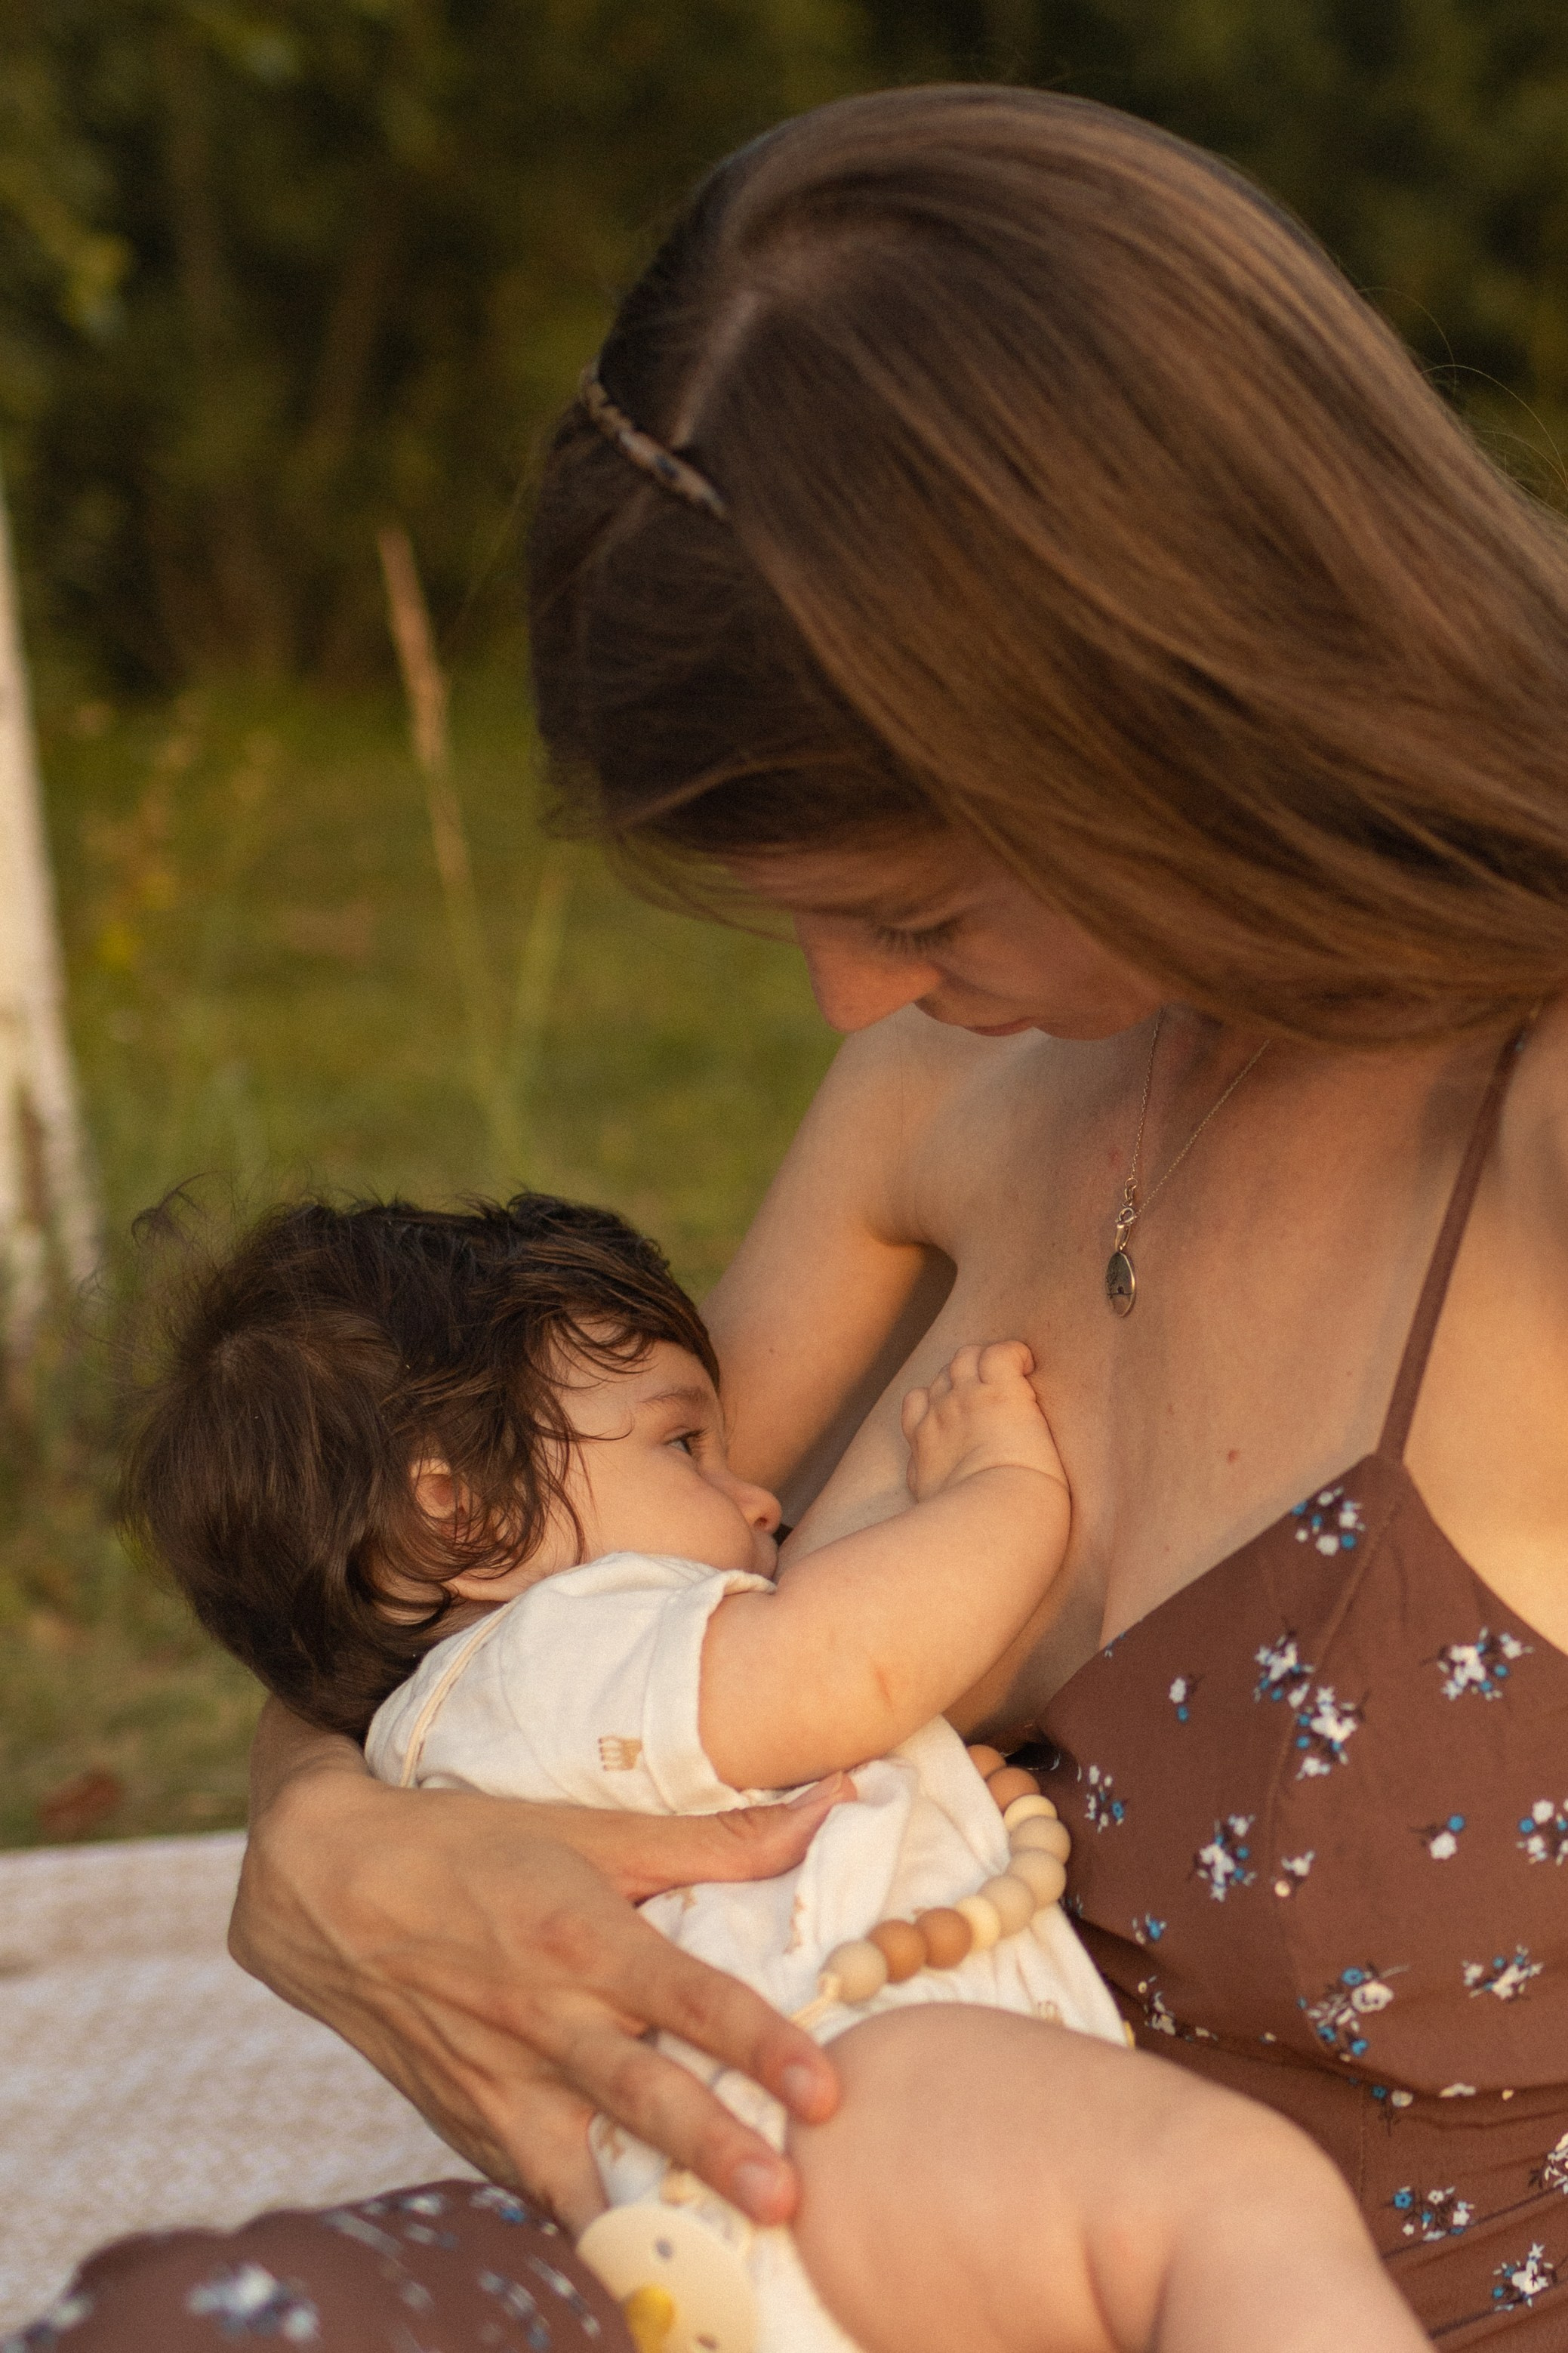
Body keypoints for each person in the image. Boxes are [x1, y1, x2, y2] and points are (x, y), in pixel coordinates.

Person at [53, 79, 1568, 2352]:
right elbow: (451, 1599)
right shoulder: (942, 1095)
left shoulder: (1528, 1142)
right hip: (804, 2267)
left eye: (910, 898)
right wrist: (333, 1851)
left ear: (1168, 716)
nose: (850, 1000)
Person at [109, 1188, 1421, 2353]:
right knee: (1224, 2199)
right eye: (683, 1446)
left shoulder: (452, 1736)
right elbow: (845, 1665)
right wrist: (1004, 1486)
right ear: (457, 1515)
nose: (760, 1502)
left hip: (697, 2202)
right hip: (835, 2101)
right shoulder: (568, 1644)